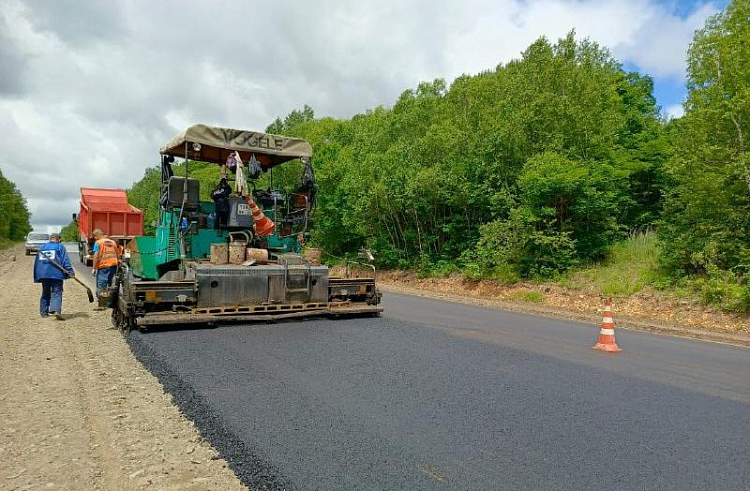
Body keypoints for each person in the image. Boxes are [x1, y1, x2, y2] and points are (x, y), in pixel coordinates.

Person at [33, 232, 74, 319]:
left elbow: (37, 263)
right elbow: (65, 261)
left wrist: (37, 275)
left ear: (50, 239)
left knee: (45, 292)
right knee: (57, 292)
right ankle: (55, 310)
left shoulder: (42, 248)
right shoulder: (60, 247)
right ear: (58, 240)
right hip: (56, 274)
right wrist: (70, 272)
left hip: (43, 274)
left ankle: (44, 313)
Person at [91, 229, 120, 299]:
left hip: (104, 266)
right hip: (113, 265)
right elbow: (117, 254)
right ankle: (110, 300)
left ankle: (103, 302)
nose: (94, 238)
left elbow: (96, 256)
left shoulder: (98, 243)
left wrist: (94, 268)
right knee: (110, 284)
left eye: (94, 237)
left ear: (96, 236)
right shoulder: (112, 242)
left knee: (102, 285)